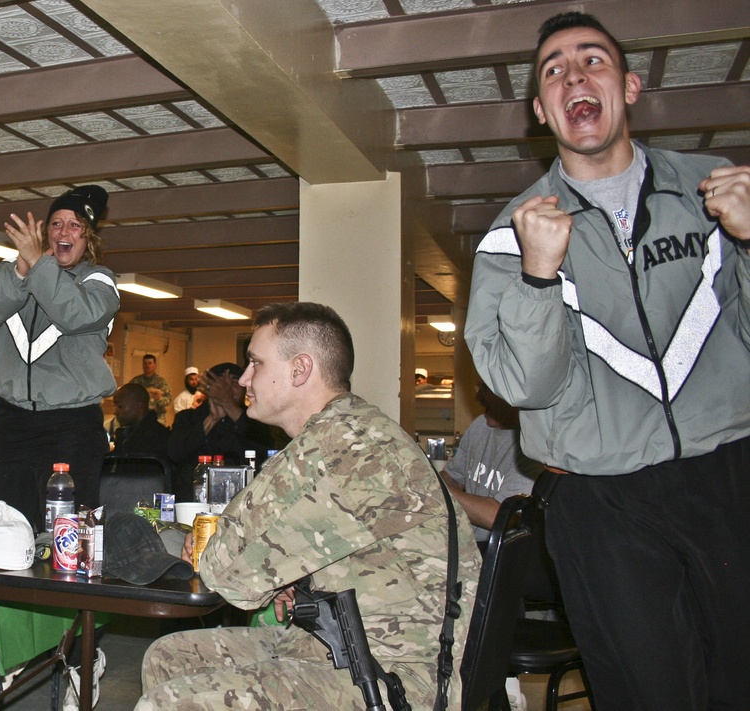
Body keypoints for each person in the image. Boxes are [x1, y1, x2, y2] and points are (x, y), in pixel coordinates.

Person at [464, 12, 750, 710]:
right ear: (541, 110)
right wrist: (538, 277)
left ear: (628, 85)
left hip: (729, 470)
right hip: (600, 496)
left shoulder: (714, 190)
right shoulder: (513, 232)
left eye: (591, 61)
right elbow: (521, 385)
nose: (573, 76)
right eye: (553, 70)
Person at [137, 302, 480, 710]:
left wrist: (227, 555)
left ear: (299, 370)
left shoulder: (333, 448)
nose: (244, 379)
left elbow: (224, 571)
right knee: (169, 656)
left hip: (393, 677)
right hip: (348, 644)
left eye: (256, 363)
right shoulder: (357, 428)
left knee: (169, 703)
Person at [0, 185, 119, 530]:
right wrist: (22, 270)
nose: (64, 232)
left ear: (88, 238)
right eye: (57, 224)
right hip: (9, 425)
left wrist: (39, 265)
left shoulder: (99, 282)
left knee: (68, 532)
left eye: (76, 225)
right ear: (44, 232)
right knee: (6, 528)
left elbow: (76, 313)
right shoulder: (9, 271)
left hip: (72, 427)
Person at [441, 383, 542, 546]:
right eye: (479, 388)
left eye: (487, 390)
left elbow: (499, 517)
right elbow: (453, 478)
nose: (478, 397)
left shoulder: (533, 446)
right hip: (466, 543)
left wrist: (435, 490)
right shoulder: (480, 425)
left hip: (504, 552)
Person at [167, 362, 272, 501]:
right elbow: (175, 453)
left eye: (234, 382)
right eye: (221, 383)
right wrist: (211, 419)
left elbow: (266, 451)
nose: (227, 389)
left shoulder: (257, 419)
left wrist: (228, 404)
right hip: (194, 499)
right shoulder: (188, 417)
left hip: (245, 500)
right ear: (209, 387)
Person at [110, 383, 170, 464]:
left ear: (138, 406)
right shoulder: (126, 434)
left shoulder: (156, 438)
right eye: (114, 406)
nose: (115, 412)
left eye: (120, 406)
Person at [130, 354, 171, 425]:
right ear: (142, 365)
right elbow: (128, 395)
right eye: (145, 363)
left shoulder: (161, 382)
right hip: (140, 418)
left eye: (150, 363)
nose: (147, 366)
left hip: (157, 418)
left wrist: (159, 399)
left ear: (155, 365)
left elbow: (168, 400)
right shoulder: (136, 381)